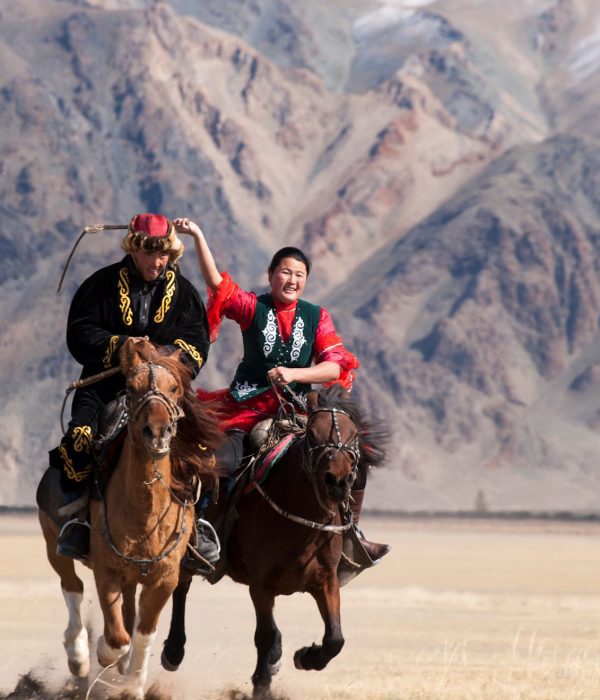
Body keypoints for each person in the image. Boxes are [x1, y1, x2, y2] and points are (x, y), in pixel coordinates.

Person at [173, 217, 390, 566]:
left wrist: (295, 373)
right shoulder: (253, 308)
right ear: (272, 275)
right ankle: (202, 532)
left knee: (354, 454)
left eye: (299, 274)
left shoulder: (316, 317)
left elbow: (335, 365)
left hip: (298, 412)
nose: (292, 280)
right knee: (221, 461)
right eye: (285, 272)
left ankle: (351, 531)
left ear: (305, 281)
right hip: (246, 407)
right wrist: (198, 234)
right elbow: (217, 283)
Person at [50, 213, 211, 561]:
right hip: (105, 384)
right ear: (134, 250)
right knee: (80, 438)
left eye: (164, 254)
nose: (158, 261)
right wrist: (122, 346)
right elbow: (79, 333)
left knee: (200, 446)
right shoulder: (101, 285)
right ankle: (78, 523)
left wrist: (163, 357)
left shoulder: (184, 293)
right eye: (151, 253)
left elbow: (198, 344)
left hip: (165, 392)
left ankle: (200, 528)